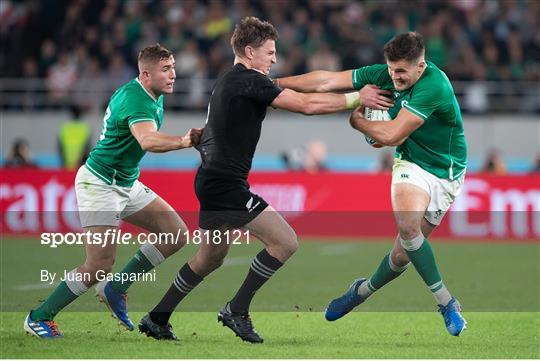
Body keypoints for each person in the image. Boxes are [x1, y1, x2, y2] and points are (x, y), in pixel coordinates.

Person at [138, 16, 390, 344]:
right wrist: (358, 98)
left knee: (210, 257)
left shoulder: (232, 79)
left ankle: (157, 318)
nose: (273, 58)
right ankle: (236, 310)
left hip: (212, 179)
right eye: (269, 51)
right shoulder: (247, 79)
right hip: (225, 184)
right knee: (285, 242)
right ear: (248, 51)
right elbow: (306, 105)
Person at [277, 32, 468, 336]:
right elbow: (326, 80)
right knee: (408, 229)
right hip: (411, 164)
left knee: (402, 255)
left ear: (421, 66)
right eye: (391, 68)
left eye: (402, 71)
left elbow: (390, 135)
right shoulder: (384, 75)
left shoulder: (434, 85)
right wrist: (276, 84)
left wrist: (358, 123)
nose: (394, 76)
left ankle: (361, 291)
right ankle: (446, 303)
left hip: (446, 172)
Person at [24, 44, 202, 338]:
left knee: (176, 233)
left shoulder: (151, 94)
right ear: (146, 74)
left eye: (173, 68)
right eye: (166, 69)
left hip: (125, 182)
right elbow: (146, 140)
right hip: (100, 183)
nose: (173, 75)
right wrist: (184, 141)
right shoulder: (137, 100)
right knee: (98, 265)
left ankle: (116, 288)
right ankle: (39, 317)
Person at [57, 105, 92, 170]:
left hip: (66, 163)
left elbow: (60, 147)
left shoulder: (65, 127)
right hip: (80, 165)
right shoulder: (84, 128)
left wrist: (62, 161)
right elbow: (87, 147)